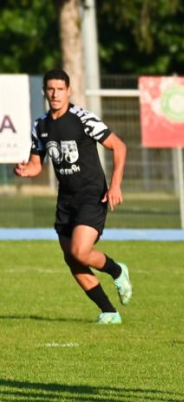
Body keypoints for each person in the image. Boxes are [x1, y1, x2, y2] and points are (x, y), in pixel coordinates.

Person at [14, 69, 132, 324]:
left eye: (60, 89)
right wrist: (26, 170)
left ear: (69, 91)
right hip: (65, 199)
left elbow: (119, 146)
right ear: (44, 92)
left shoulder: (83, 119)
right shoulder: (41, 125)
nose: (55, 94)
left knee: (80, 250)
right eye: (50, 89)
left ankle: (117, 269)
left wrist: (115, 186)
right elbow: (37, 164)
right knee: (72, 259)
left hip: (92, 195)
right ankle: (109, 312)